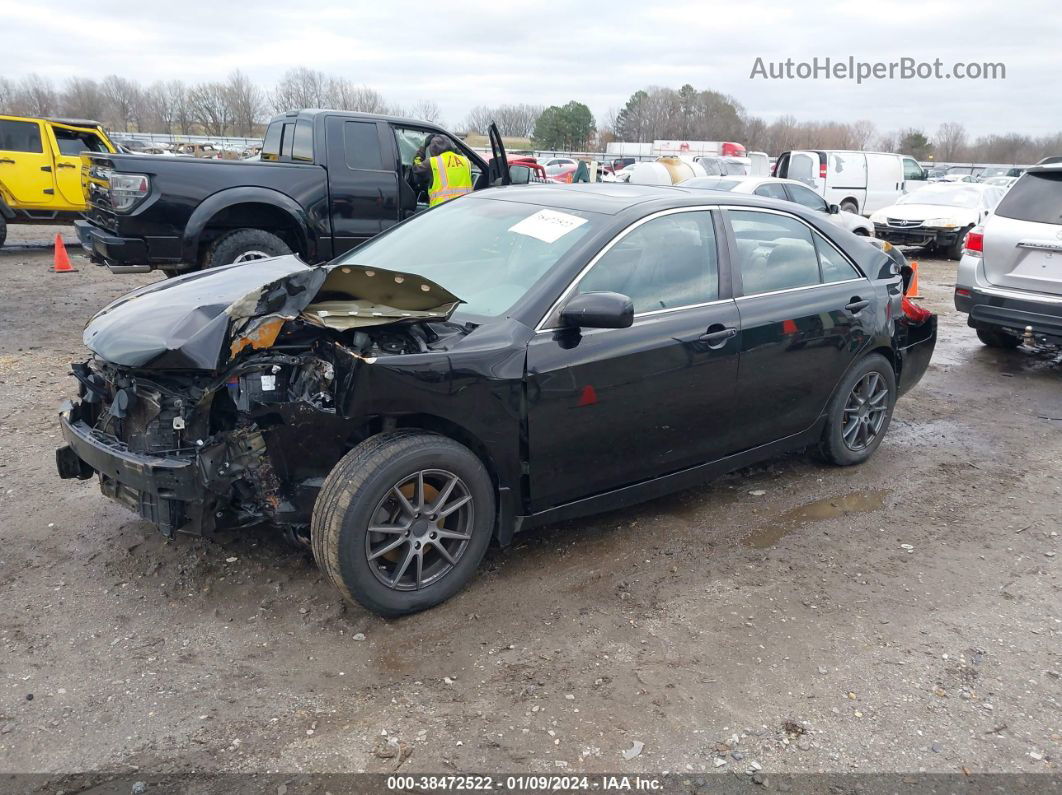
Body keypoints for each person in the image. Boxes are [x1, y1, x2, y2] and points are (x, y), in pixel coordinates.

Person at [411, 135, 474, 207]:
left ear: (432, 149)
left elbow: (416, 167)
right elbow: (460, 154)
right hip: (465, 207)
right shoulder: (466, 161)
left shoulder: (432, 162)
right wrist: (454, 148)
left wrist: (423, 147)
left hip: (442, 210)